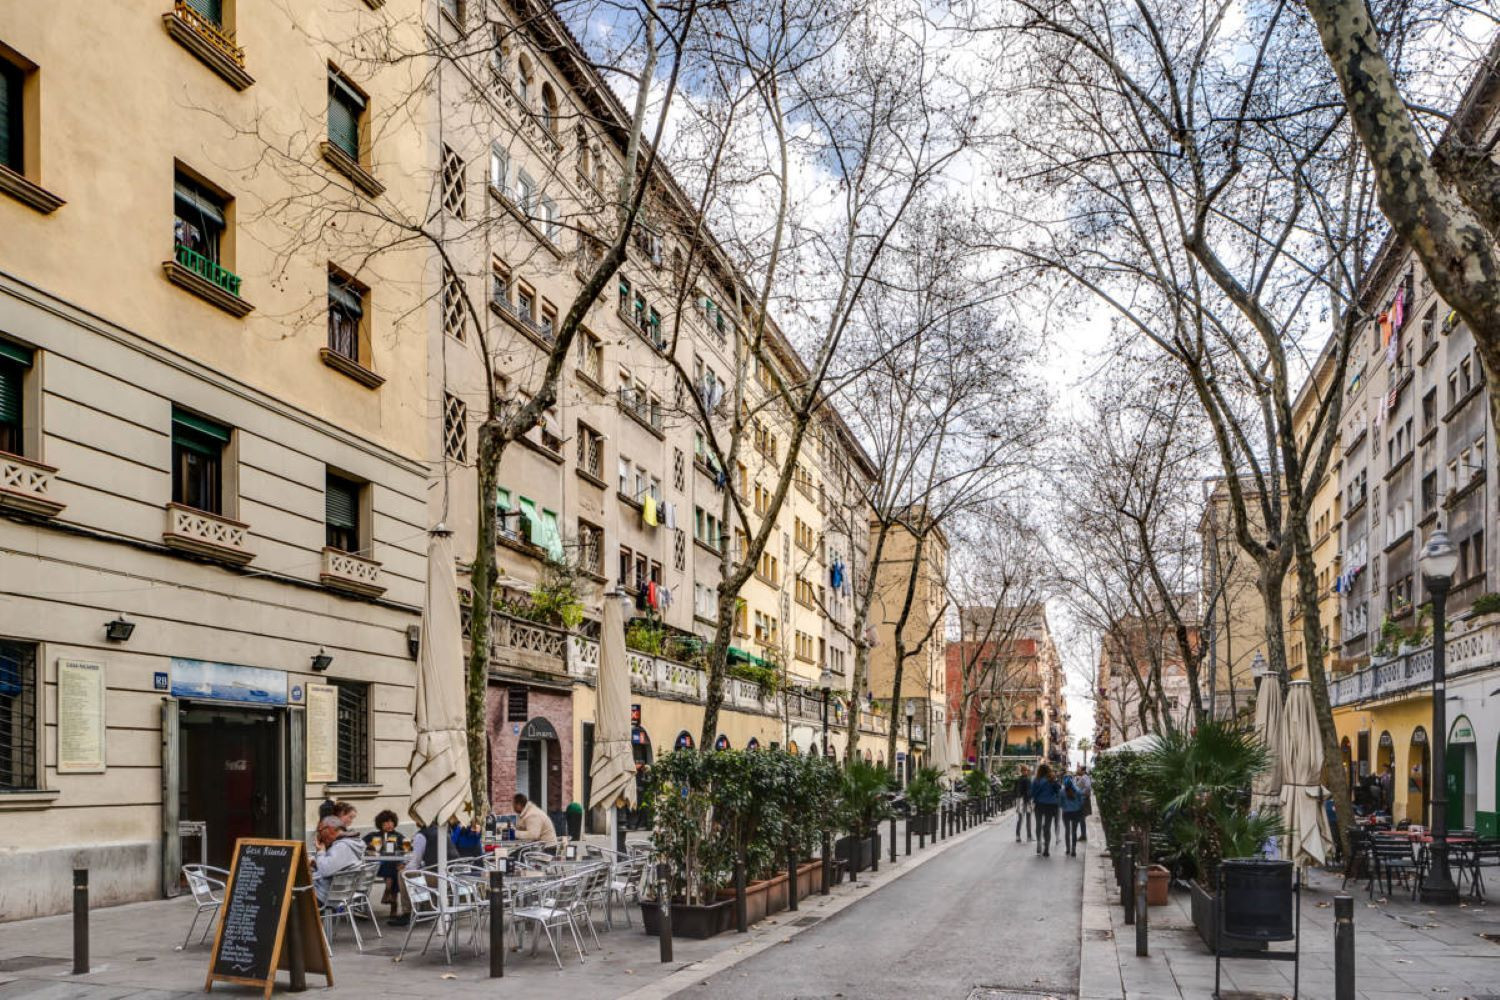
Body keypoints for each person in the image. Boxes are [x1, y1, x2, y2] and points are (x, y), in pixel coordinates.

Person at [363, 810, 409, 922]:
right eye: (386, 822)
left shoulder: (399, 836)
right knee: (393, 868)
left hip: (392, 868)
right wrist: (369, 848)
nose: (389, 824)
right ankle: (393, 901)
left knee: (396, 868)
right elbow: (360, 845)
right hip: (377, 867)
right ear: (380, 824)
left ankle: (389, 891)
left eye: (391, 822)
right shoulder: (373, 836)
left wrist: (402, 855)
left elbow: (407, 851)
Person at [311, 816, 364, 905]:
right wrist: (317, 863)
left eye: (320, 831)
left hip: (326, 896)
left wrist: (320, 852)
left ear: (330, 829)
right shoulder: (349, 843)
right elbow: (335, 866)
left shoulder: (342, 846)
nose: (319, 835)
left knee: (290, 892)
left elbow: (325, 870)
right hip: (335, 893)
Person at [1030, 764, 1061, 857]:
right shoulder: (1052, 779)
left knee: (1038, 824)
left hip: (1039, 804)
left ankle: (1039, 842)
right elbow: (1058, 790)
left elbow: (1032, 793)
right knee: (1047, 827)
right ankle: (1046, 848)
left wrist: (1034, 799)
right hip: (1051, 805)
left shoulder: (1036, 780)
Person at [1060, 771, 1084, 857]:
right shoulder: (1077, 790)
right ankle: (1074, 849)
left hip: (1066, 813)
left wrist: (1064, 807)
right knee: (1074, 831)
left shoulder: (1062, 791)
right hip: (1075, 813)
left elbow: (1060, 803)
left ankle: (1068, 849)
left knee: (1067, 831)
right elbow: (1081, 802)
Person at [1013, 765, 1034, 843]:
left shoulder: (1018, 779)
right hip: (1026, 801)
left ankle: (1018, 836)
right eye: (1026, 770)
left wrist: (1017, 798)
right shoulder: (1027, 780)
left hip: (1020, 800)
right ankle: (1029, 836)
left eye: (1026, 770)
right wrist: (1029, 801)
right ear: (1024, 771)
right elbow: (1029, 792)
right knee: (1028, 819)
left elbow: (1014, 790)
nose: (1026, 772)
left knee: (1020, 819)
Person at [1075, 766, 1093, 841]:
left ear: (1083, 771)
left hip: (1083, 800)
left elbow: (1088, 787)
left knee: (1081, 818)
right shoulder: (1083, 777)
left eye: (1079, 769)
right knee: (1081, 818)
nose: (1077, 770)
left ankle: (1083, 835)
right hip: (1082, 799)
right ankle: (1083, 835)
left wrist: (1081, 793)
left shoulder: (1085, 777)